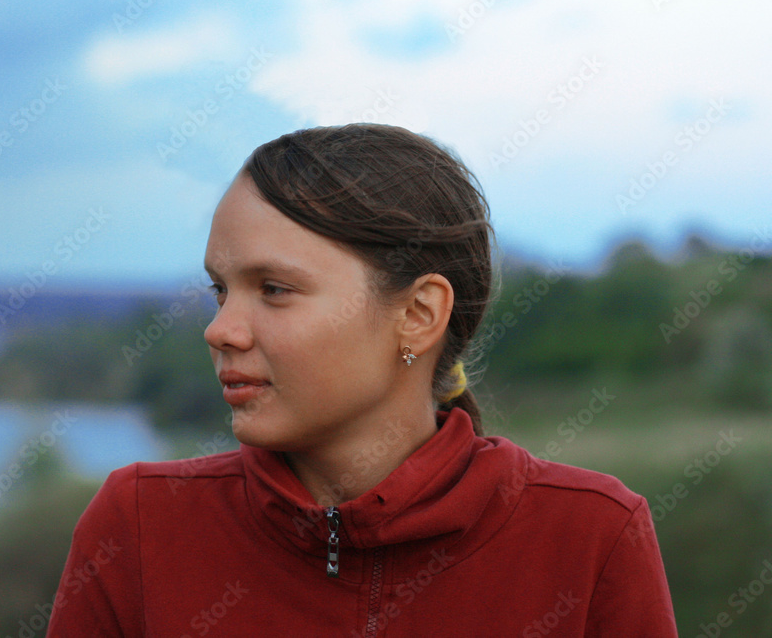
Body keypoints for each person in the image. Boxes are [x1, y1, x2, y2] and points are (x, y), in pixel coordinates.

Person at [46, 123, 678, 636]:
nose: (220, 330)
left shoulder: (590, 537)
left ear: (419, 314)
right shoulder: (139, 527)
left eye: (274, 289)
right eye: (220, 290)